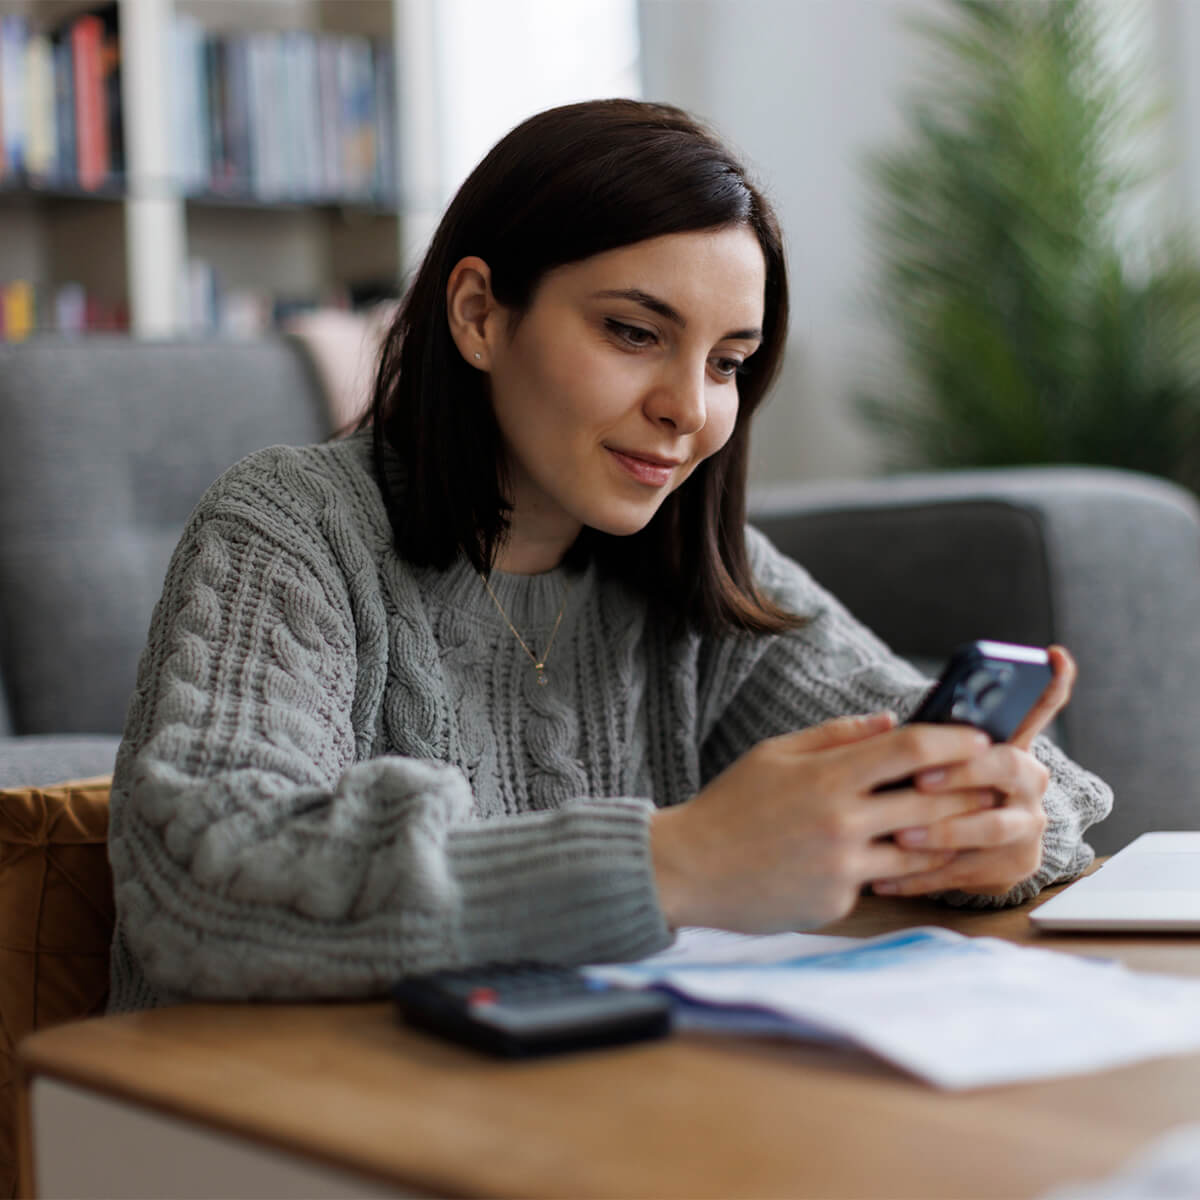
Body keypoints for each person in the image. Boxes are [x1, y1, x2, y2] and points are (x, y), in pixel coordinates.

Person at [107, 99, 1111, 1011]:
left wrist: (994, 831)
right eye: (634, 332)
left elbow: (1050, 789)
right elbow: (205, 879)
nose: (689, 407)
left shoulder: (698, 573)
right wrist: (679, 860)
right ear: (479, 314)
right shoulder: (293, 526)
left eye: (728, 363)